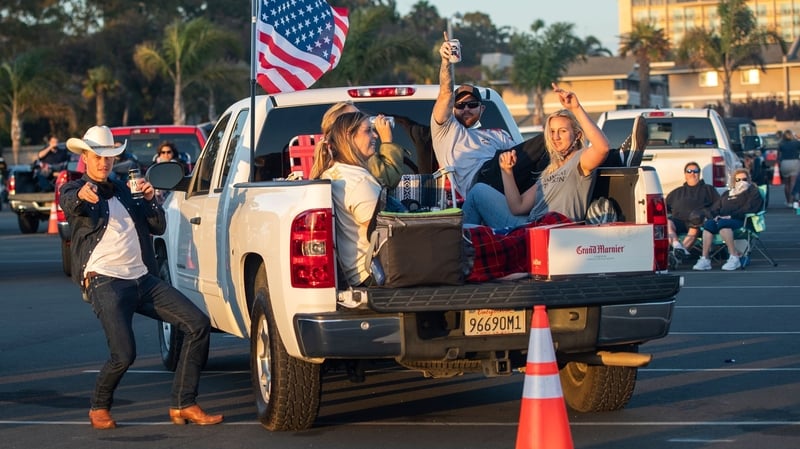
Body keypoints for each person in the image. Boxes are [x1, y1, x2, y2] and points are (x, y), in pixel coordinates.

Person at [59, 125, 222, 429]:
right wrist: (81, 196)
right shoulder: (75, 189)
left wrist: (149, 198)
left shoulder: (124, 188)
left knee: (198, 325)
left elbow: (158, 225)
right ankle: (99, 407)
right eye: (97, 156)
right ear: (85, 157)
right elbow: (69, 203)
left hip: (142, 280)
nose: (103, 162)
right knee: (124, 354)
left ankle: (184, 403)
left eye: (108, 157)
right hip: (105, 281)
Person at [461, 85, 610, 227]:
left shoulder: (580, 161)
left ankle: (459, 248)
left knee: (477, 194)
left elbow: (602, 148)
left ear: (577, 135)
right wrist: (507, 171)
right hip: (530, 224)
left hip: (552, 229)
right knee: (478, 191)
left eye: (562, 131)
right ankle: (465, 245)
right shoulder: (549, 169)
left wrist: (576, 109)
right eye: (552, 132)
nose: (556, 137)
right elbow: (517, 207)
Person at [431, 38, 549, 197]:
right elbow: (445, 94)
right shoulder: (445, 131)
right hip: (482, 181)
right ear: (452, 109)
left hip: (512, 179)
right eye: (460, 105)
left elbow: (523, 158)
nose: (466, 109)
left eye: (472, 104)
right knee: (547, 138)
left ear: (482, 108)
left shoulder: (498, 134)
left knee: (550, 146)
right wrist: (446, 62)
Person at [311, 112, 382, 286]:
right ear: (349, 137)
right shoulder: (359, 181)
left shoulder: (333, 172)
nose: (375, 135)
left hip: (355, 274)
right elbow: (382, 232)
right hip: (373, 274)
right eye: (368, 131)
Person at [310, 101, 405, 190]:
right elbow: (389, 180)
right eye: (354, 117)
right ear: (343, 127)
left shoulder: (333, 157)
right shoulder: (356, 159)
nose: (361, 118)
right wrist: (387, 141)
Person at [692, 168, 763, 271]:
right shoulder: (727, 194)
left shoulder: (753, 192)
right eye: (738, 180)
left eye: (744, 179)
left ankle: (734, 257)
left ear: (749, 180)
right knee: (709, 225)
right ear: (734, 181)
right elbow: (715, 208)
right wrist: (714, 216)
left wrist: (730, 216)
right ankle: (705, 259)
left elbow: (749, 208)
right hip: (723, 220)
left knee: (723, 224)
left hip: (742, 221)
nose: (741, 182)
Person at [665, 161, 721, 256]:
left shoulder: (708, 189)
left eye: (695, 171)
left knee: (695, 225)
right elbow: (665, 208)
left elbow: (718, 205)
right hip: (678, 221)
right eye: (689, 171)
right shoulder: (677, 192)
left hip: (697, 222)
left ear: (699, 173)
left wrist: (706, 214)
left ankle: (678, 255)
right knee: (667, 223)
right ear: (685, 174)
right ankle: (676, 245)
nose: (692, 173)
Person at [777, 129, 800, 207]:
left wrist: (779, 164)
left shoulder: (781, 144)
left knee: (786, 184)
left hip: (785, 163)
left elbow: (778, 155)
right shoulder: (796, 143)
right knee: (793, 183)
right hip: (794, 162)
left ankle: (788, 201)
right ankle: (792, 201)